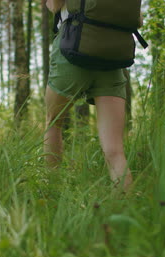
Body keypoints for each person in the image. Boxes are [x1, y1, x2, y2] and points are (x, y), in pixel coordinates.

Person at [43, 0, 133, 192]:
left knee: (54, 122)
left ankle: (52, 190)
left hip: (72, 49)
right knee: (115, 149)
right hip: (112, 57)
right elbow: (137, 19)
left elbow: (54, 6)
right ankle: (127, 207)